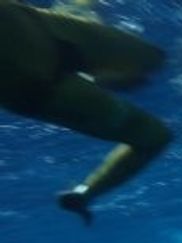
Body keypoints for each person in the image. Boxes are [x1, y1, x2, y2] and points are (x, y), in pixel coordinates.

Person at [0, 0, 172, 224]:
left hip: (41, 35)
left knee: (154, 59)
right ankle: (85, 193)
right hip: (43, 83)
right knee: (154, 137)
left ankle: (100, 77)